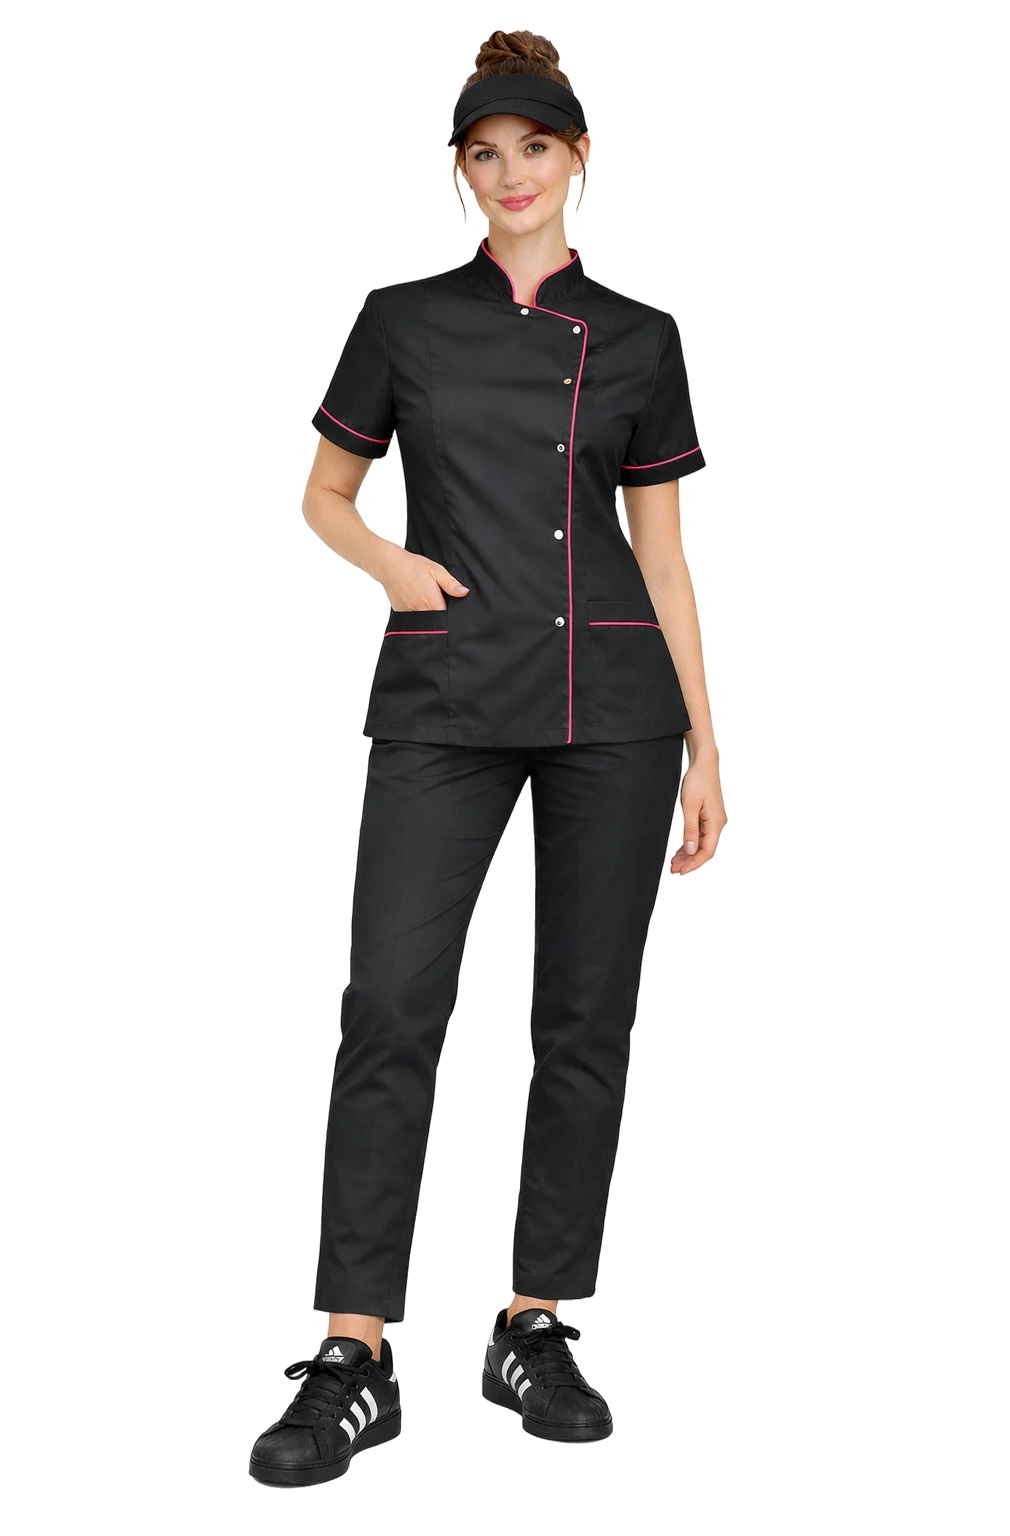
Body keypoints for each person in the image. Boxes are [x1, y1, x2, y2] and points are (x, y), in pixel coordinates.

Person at [249, 28, 727, 1488]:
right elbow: (325, 494)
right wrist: (392, 567)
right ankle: (354, 1352)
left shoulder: (640, 336)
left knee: (584, 1021)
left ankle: (534, 1324)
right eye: (483, 154)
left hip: (618, 709)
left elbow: (664, 554)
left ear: (578, 157)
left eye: (533, 148)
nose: (510, 175)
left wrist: (709, 743)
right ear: (458, 171)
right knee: (390, 1007)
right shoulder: (402, 320)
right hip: (445, 692)